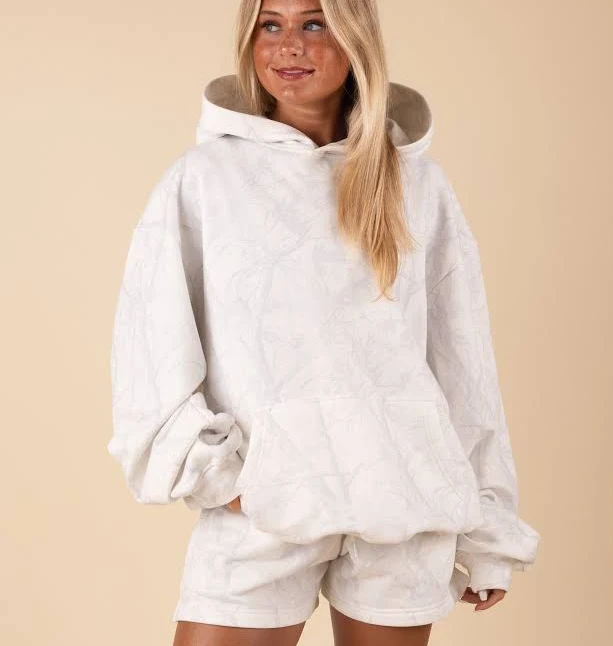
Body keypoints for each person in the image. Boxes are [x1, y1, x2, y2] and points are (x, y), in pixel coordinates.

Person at [107, 0, 540, 644]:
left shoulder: (417, 185)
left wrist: (489, 533)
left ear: (355, 38)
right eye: (270, 25)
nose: (289, 45)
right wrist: (225, 479)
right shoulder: (205, 180)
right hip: (265, 506)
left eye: (314, 23)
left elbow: (462, 362)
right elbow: (152, 346)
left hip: (402, 505)